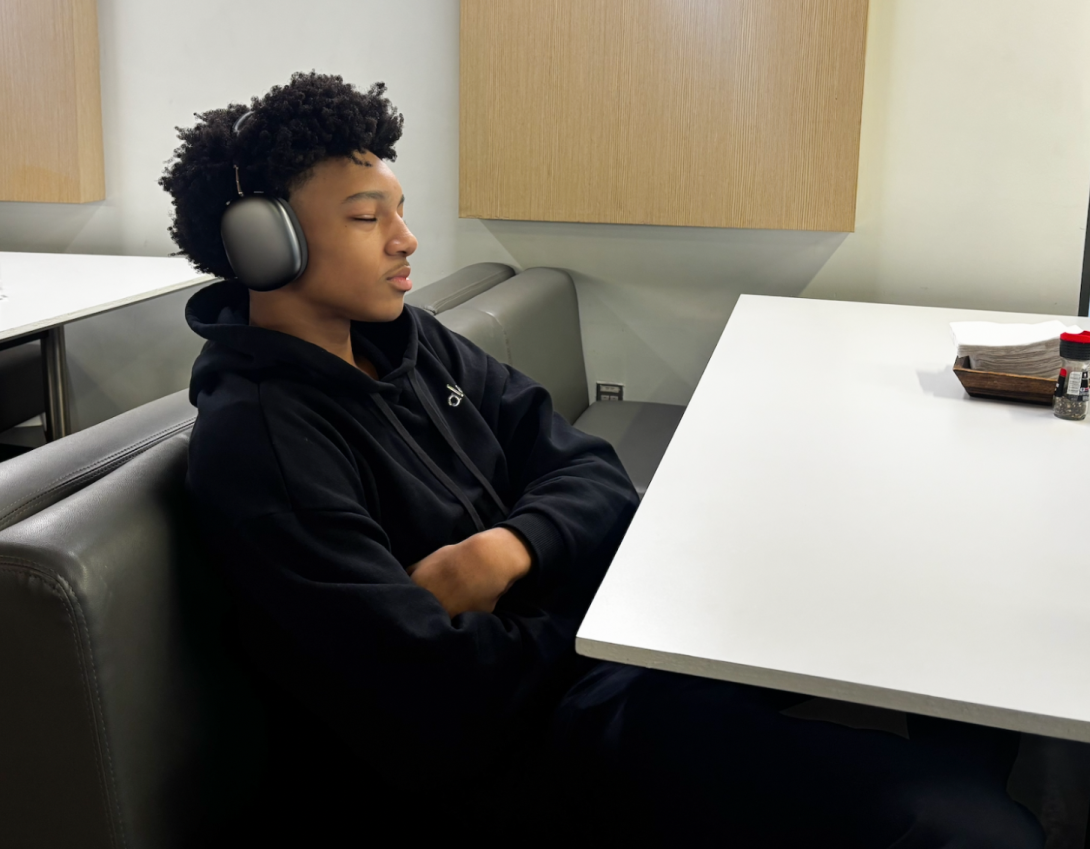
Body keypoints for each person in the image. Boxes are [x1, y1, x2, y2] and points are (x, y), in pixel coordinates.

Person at [163, 72, 1043, 847]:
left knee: (936, 645)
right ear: (261, 244)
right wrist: (592, 594)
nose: (407, 240)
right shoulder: (264, 445)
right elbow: (433, 704)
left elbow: (589, 468)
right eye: (368, 218)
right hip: (535, 761)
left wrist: (506, 552)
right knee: (965, 825)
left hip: (603, 676)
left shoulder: (411, 342)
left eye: (399, 209)